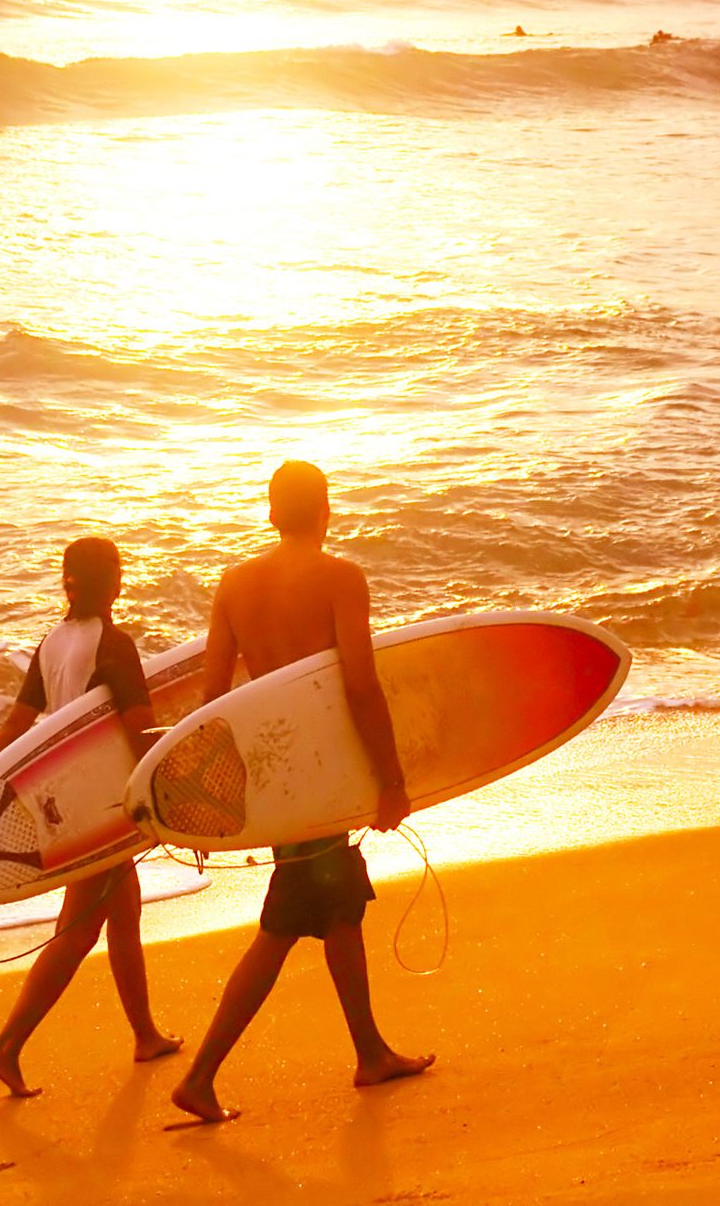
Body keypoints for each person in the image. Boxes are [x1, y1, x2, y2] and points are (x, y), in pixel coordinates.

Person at [170, 462, 432, 1124]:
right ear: (326, 512)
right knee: (285, 923)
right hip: (322, 771)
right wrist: (390, 779)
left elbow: (211, 697)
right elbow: (361, 684)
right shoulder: (340, 578)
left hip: (272, 771)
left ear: (270, 512)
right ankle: (200, 1076)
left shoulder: (234, 584)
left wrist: (209, 796)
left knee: (339, 908)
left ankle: (371, 1053)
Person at [0, 537, 179, 1096]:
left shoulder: (51, 644)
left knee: (123, 911)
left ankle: (146, 1034)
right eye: (119, 572)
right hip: (102, 801)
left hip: (63, 798)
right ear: (113, 581)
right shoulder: (115, 643)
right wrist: (168, 781)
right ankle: (6, 1047)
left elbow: (18, 723)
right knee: (79, 929)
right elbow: (137, 725)